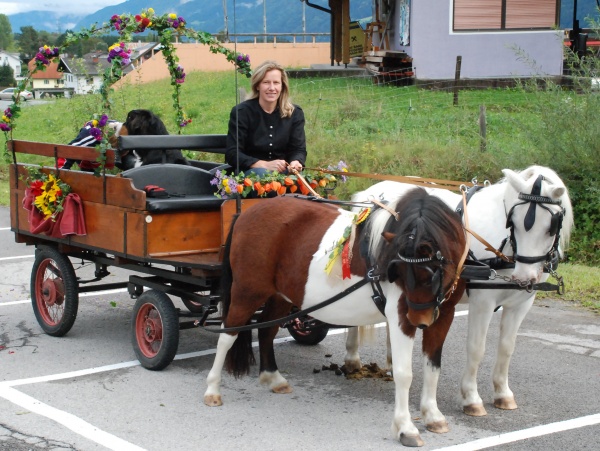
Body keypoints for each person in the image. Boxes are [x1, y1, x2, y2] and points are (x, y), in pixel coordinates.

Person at [225, 60, 306, 176]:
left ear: (282, 86)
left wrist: (296, 162)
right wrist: (263, 165)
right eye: (266, 82)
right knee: (263, 177)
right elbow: (233, 153)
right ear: (257, 85)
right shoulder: (241, 112)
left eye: (276, 83)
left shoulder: (295, 113)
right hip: (250, 175)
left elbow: (298, 149)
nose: (272, 88)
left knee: (309, 184)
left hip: (285, 173)